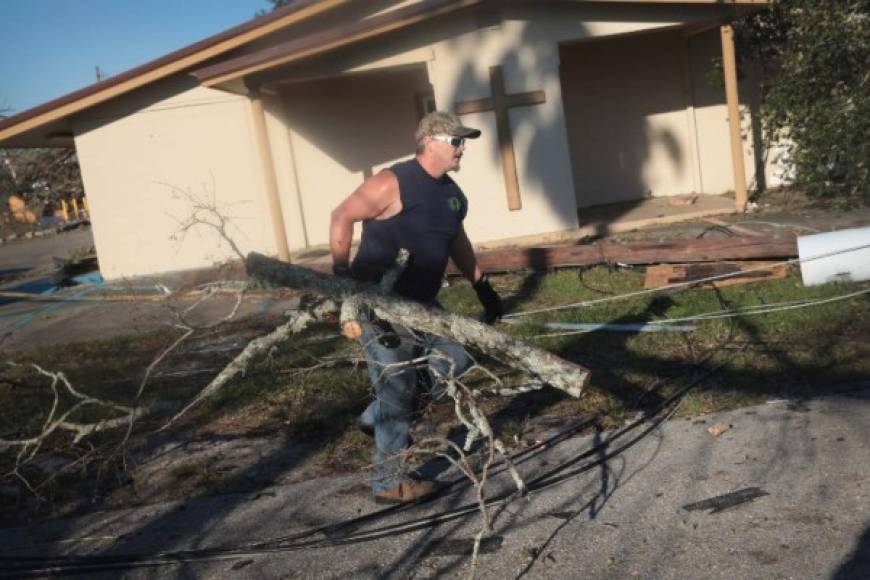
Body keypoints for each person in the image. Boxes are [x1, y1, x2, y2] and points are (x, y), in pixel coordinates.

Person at [329, 111, 503, 504]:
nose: (463, 148)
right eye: (456, 141)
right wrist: (342, 276)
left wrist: (483, 287)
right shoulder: (393, 182)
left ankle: (375, 417)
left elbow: (457, 242)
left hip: (424, 304)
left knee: (456, 361)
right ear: (431, 141)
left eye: (464, 142)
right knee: (398, 387)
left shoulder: (452, 194)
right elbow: (341, 217)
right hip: (382, 304)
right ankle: (388, 482)